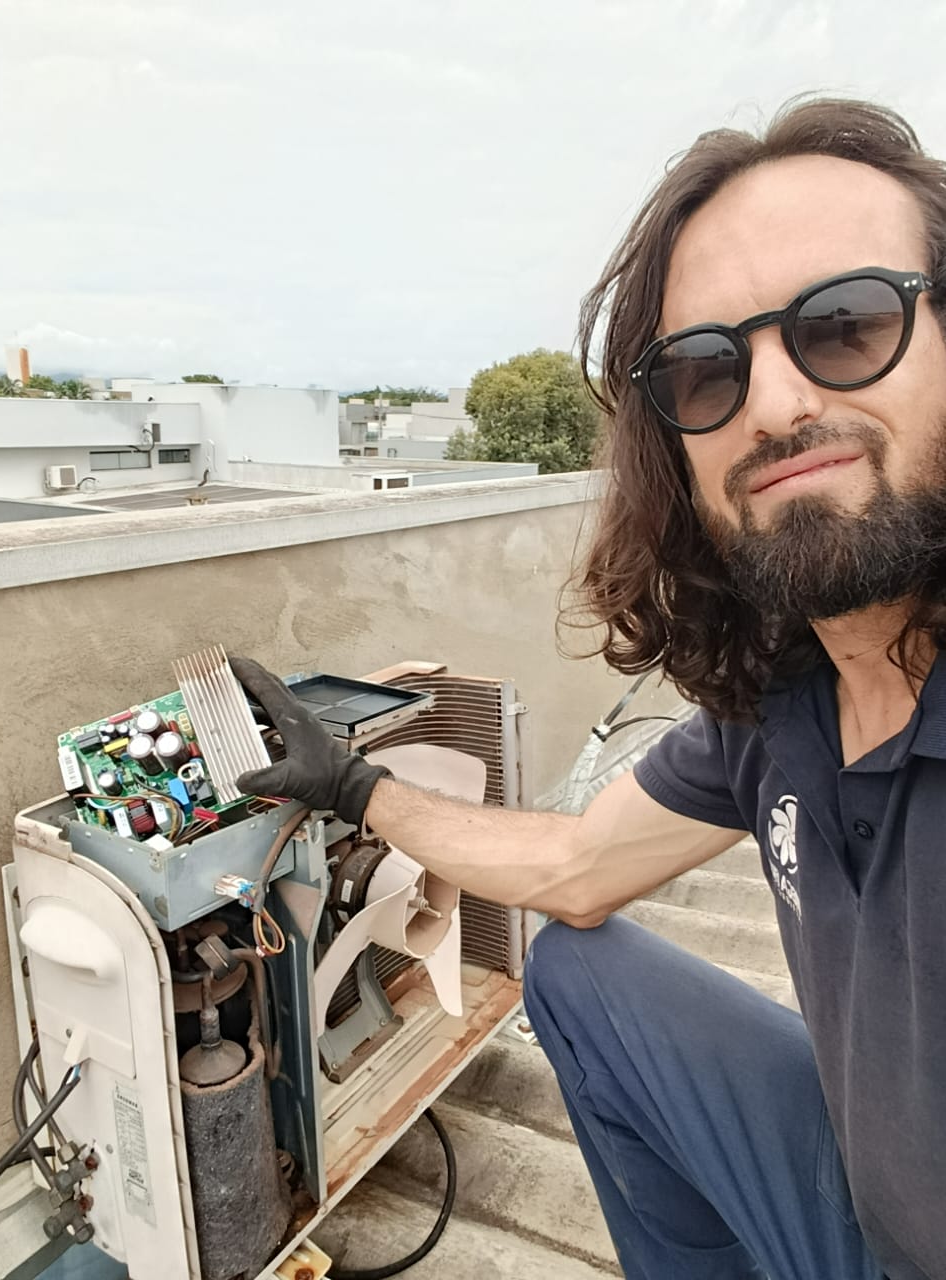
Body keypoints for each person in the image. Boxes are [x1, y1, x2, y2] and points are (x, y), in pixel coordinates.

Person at [230, 95, 946, 1280]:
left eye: (846, 322)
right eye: (706, 368)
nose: (772, 405)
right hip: (858, 1188)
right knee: (574, 964)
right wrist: (350, 784)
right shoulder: (786, 696)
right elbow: (573, 868)